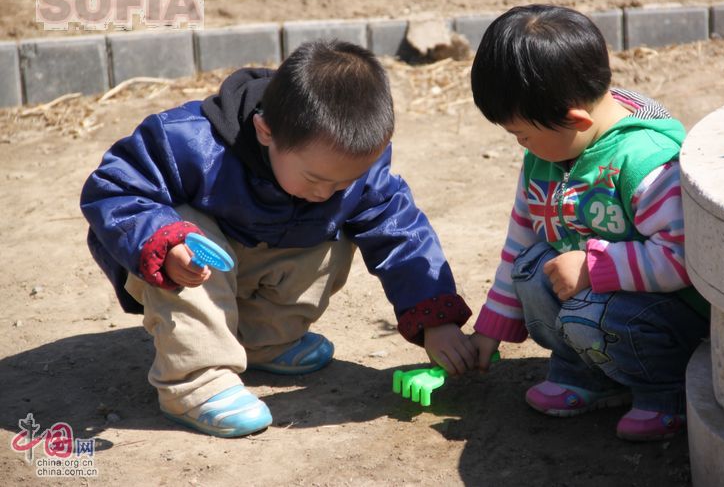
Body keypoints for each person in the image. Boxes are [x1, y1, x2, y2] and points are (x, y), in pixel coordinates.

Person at [80, 40, 476, 438]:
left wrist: (434, 319)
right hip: (193, 266)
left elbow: (401, 233)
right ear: (265, 131)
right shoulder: (188, 142)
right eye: (317, 180)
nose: (329, 192)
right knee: (185, 227)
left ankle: (263, 342)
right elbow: (113, 188)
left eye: (346, 181)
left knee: (340, 234)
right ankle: (196, 380)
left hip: (265, 257)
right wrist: (163, 243)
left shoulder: (352, 173)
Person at [467, 4, 709, 441]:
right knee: (531, 266)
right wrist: (492, 327)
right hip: (597, 301)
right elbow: (518, 241)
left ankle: (666, 393)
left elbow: (685, 256)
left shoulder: (646, 164)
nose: (520, 145)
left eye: (521, 134)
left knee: (588, 309)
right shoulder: (547, 156)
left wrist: (595, 267)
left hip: (665, 316)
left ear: (576, 120)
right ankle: (588, 376)